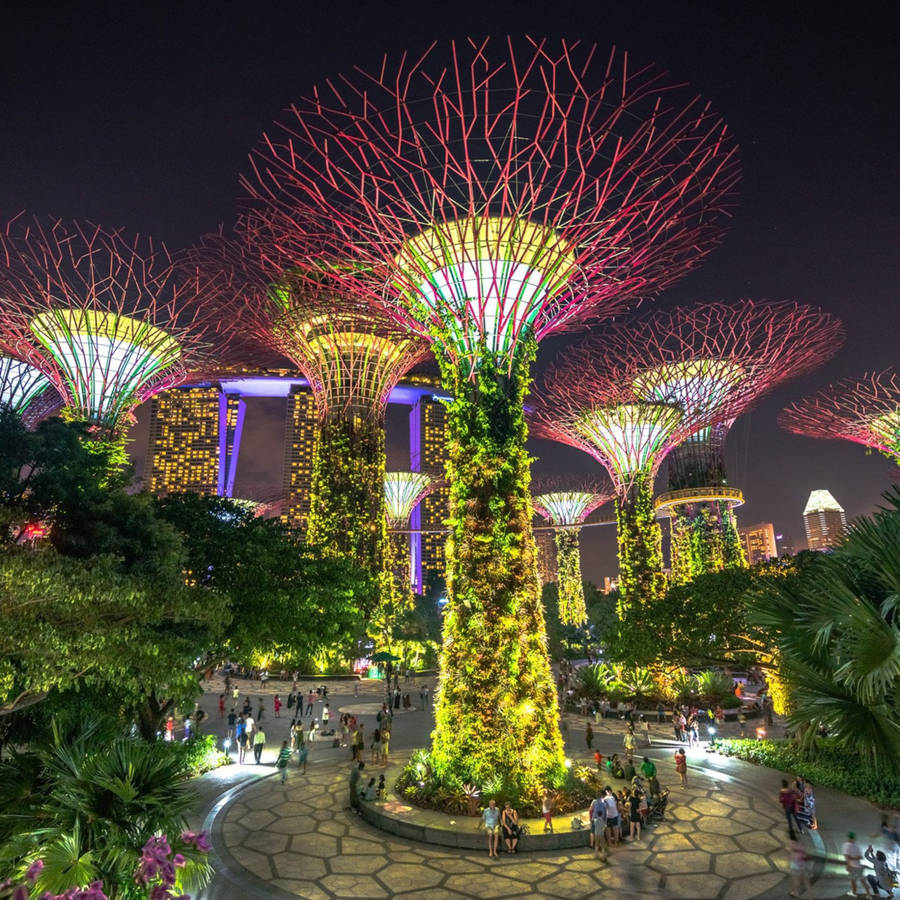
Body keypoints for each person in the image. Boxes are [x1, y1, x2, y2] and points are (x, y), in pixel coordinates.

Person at [842, 832, 871, 899]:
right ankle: (869, 895)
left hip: (852, 866)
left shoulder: (846, 845)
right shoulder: (857, 845)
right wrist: (855, 858)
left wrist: (848, 865)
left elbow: (847, 857)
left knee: (853, 881)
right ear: (854, 838)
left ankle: (854, 893)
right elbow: (860, 857)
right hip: (859, 866)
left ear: (848, 837)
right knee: (863, 881)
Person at [588, 792, 606, 856]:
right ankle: (603, 855)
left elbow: (590, 809)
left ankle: (592, 846)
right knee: (603, 845)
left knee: (592, 832)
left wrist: (591, 818)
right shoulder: (603, 803)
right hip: (601, 831)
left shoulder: (594, 802)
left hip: (594, 820)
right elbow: (605, 812)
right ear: (601, 796)